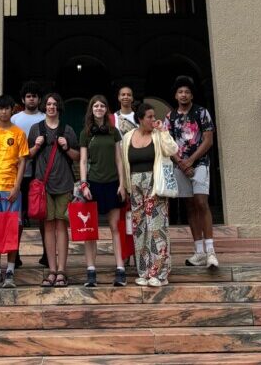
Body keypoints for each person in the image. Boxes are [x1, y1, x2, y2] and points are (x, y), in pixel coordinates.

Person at [122, 102, 179, 287]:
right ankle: (145, 271)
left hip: (154, 185)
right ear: (140, 119)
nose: (153, 120)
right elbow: (124, 163)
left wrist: (163, 131)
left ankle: (160, 273)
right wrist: (125, 186)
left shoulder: (158, 135)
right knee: (140, 230)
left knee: (156, 229)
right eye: (149, 117)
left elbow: (172, 150)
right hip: (135, 187)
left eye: (154, 116)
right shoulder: (129, 136)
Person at [164, 75, 218, 268]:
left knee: (201, 202)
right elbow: (167, 144)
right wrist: (180, 162)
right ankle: (199, 252)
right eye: (180, 92)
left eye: (187, 92)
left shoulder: (202, 113)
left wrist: (191, 161)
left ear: (192, 95)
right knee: (189, 206)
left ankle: (211, 250)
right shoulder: (170, 117)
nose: (183, 95)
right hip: (180, 166)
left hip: (200, 163)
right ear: (176, 95)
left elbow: (208, 140)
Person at [28, 93, 79, 288]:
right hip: (43, 185)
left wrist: (66, 148)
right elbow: (27, 155)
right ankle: (51, 269)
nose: (51, 107)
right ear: (44, 107)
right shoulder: (36, 129)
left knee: (61, 226)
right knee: (48, 225)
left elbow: (77, 156)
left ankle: (62, 270)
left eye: (54, 104)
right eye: (48, 104)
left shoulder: (68, 130)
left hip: (64, 183)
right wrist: (37, 145)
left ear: (59, 108)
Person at [0, 94, 29, 289]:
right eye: (0, 108)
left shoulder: (19, 133)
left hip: (11, 190)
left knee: (11, 231)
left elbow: (23, 161)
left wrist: (17, 187)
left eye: (7, 108)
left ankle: (9, 271)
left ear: (12, 110)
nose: (3, 111)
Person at [79, 94, 127, 287]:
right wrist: (83, 184)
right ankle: (91, 270)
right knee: (90, 230)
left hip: (112, 183)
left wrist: (122, 184)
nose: (99, 108)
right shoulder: (86, 132)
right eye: (95, 106)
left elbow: (119, 159)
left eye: (102, 106)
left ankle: (120, 268)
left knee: (115, 227)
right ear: (91, 110)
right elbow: (82, 160)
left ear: (107, 109)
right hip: (93, 184)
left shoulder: (114, 132)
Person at [10, 80, 46, 265]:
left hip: (40, 173)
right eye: (28, 96)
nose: (32, 99)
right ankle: (14, 254)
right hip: (19, 174)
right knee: (19, 215)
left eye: (35, 96)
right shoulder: (15, 119)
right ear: (23, 99)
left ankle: (47, 253)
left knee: (42, 214)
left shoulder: (44, 118)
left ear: (39, 99)